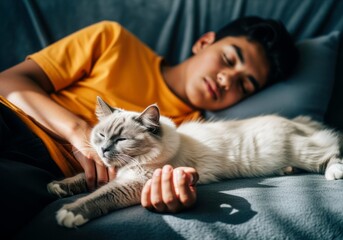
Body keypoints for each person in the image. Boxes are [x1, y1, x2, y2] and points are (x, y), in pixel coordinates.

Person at [0, 16, 298, 234]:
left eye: (244, 85)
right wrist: (77, 132)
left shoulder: (191, 139)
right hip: (12, 120)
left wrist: (172, 196)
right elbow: (8, 81)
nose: (226, 79)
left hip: (40, 175)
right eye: (228, 59)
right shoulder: (113, 40)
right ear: (204, 42)